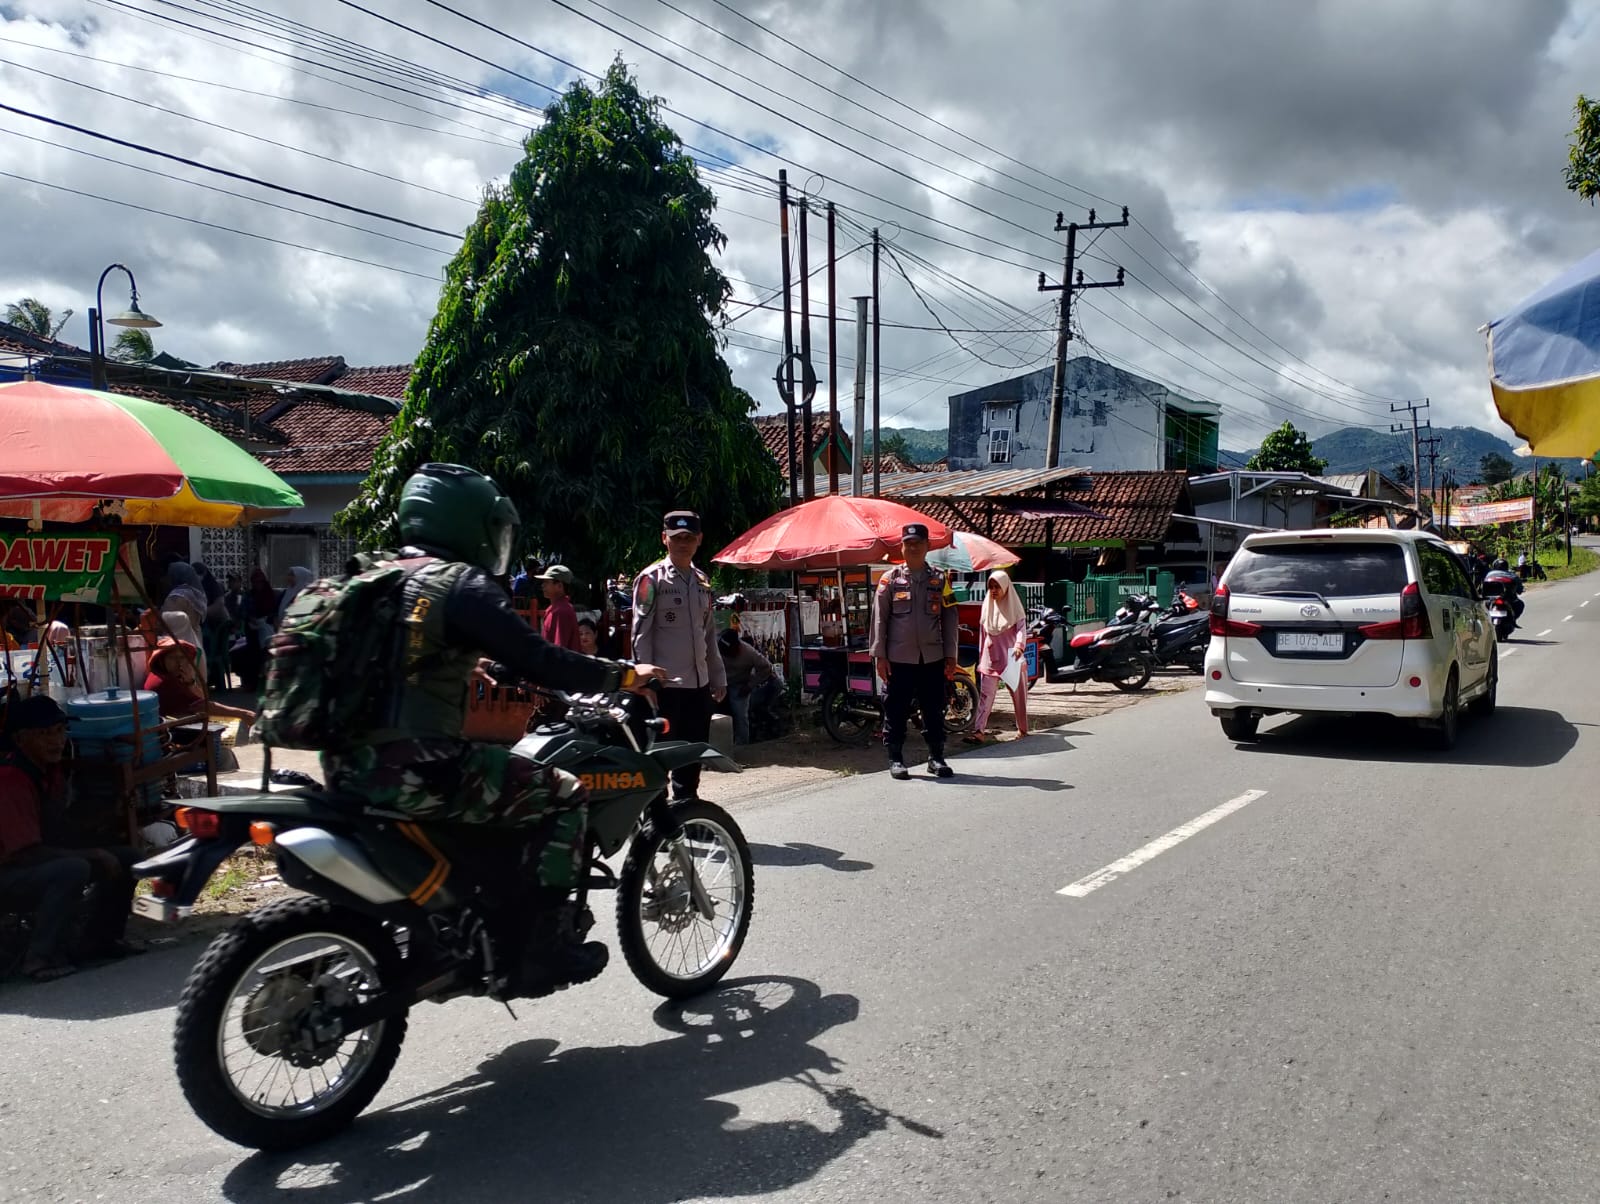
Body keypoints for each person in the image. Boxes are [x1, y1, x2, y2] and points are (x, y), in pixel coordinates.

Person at [314, 463, 663, 995]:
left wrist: (460, 664)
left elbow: (388, 661)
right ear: (467, 523)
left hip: (345, 767)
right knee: (565, 794)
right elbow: (541, 658)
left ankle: (468, 921)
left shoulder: (372, 578)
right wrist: (623, 675)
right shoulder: (459, 584)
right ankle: (544, 950)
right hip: (421, 771)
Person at [0, 696, 141, 981]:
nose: (57, 740)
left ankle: (100, 940)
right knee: (73, 868)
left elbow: (59, 828)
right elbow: (24, 852)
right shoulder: (11, 779)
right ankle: (39, 958)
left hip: (31, 860)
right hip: (8, 871)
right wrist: (93, 854)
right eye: (45, 734)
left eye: (60, 731)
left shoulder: (50, 770)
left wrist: (106, 815)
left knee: (130, 858)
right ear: (20, 739)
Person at [632, 511, 726, 800]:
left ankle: (688, 812)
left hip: (698, 687)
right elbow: (640, 634)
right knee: (659, 760)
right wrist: (644, 681)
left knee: (691, 759)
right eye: (676, 538)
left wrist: (717, 676)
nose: (683, 544)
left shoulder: (702, 581)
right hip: (665, 688)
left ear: (699, 540)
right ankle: (656, 818)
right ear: (665, 539)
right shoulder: (651, 580)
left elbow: (708, 633)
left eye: (689, 538)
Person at [870, 523, 958, 780]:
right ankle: (896, 759)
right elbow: (879, 619)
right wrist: (879, 656)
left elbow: (950, 617)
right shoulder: (890, 579)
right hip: (899, 659)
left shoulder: (940, 579)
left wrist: (951, 655)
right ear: (902, 547)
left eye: (918, 543)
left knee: (934, 708)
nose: (913, 547)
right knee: (896, 709)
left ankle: (936, 757)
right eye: (908, 543)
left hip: (932, 658)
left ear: (927, 546)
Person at [143, 640, 258, 739]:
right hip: (170, 734)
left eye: (182, 657)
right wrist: (244, 714)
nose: (179, 662)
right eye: (172, 658)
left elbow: (201, 699)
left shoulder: (171, 676)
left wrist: (190, 682)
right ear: (161, 660)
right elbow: (203, 706)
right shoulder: (165, 681)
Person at [967, 569, 1029, 744]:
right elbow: (983, 635)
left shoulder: (1015, 608)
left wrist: (1019, 646)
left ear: (1005, 587)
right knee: (986, 696)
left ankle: (1022, 729)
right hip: (990, 657)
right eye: (991, 587)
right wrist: (982, 658)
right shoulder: (987, 606)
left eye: (997, 587)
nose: (993, 590)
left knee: (1018, 696)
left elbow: (1021, 630)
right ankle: (979, 731)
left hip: (1011, 657)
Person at [717, 629, 782, 745]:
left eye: (729, 652)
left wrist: (750, 686)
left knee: (740, 715)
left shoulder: (749, 653)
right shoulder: (715, 647)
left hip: (738, 685)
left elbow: (766, 667)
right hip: (718, 683)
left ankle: (742, 744)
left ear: (737, 647)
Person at [537, 565, 583, 653]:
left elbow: (560, 650)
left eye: (547, 582)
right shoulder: (554, 608)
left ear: (559, 586)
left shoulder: (562, 611)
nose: (542, 585)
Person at [161, 562, 208, 633]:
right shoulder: (196, 595)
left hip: (178, 637)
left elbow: (165, 622)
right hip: (195, 637)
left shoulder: (176, 597)